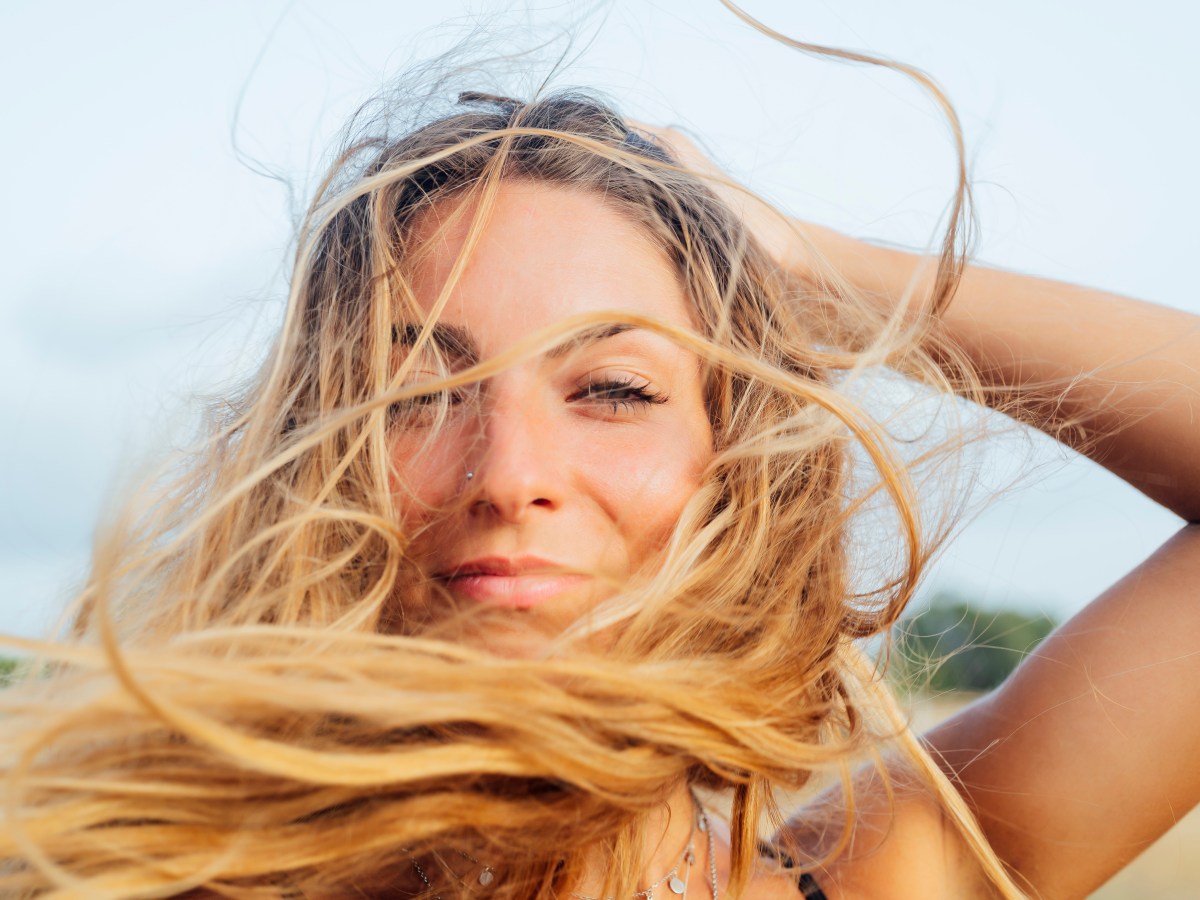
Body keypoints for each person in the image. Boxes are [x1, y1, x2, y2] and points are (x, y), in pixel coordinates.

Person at [1, 11, 1197, 900]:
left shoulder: (895, 872)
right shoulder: (163, 879)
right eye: (424, 395)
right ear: (321, 461)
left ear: (736, 474)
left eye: (613, 388)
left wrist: (813, 270)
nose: (508, 470)